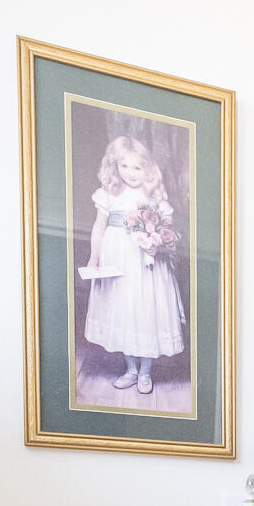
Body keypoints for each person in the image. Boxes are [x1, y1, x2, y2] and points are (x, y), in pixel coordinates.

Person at [81, 135, 185, 396]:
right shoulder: (109, 193)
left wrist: (156, 244)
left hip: (145, 262)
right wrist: (95, 256)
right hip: (117, 259)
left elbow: (166, 228)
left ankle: (146, 372)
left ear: (147, 168)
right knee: (124, 310)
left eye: (137, 167)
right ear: (114, 166)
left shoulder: (153, 194)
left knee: (144, 309)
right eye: (124, 166)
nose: (130, 173)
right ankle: (130, 369)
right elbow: (99, 226)